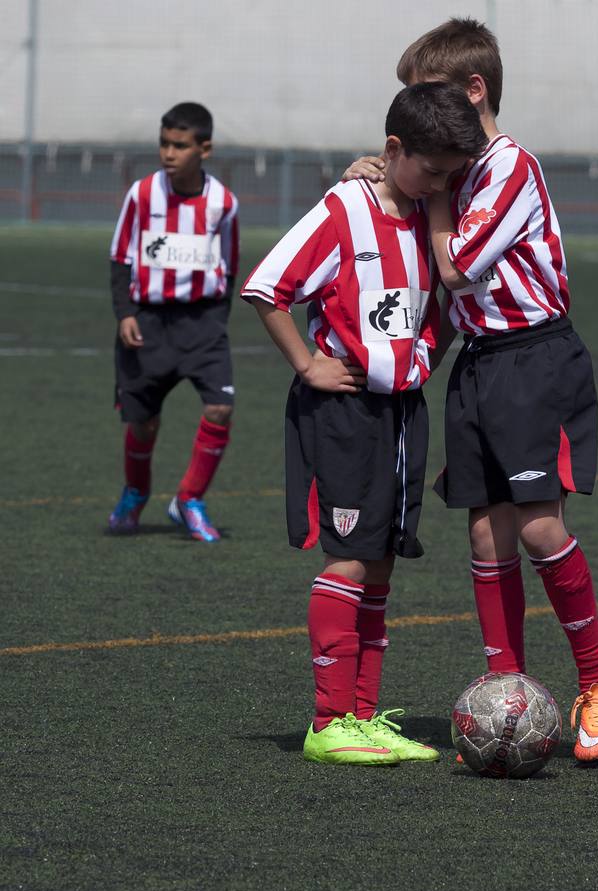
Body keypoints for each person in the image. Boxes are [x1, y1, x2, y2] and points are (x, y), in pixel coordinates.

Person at [348, 18, 598, 762]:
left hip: (535, 358)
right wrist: (379, 176)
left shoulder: (510, 166)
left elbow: (457, 267)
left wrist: (425, 192)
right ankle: (507, 685)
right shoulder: (448, 170)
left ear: (473, 93)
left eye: (426, 100)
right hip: (479, 362)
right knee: (483, 532)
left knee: (539, 526)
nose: (416, 120)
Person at [242, 82, 486, 766]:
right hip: (344, 410)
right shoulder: (343, 209)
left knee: (381, 561)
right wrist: (307, 364)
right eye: (430, 171)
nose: (439, 185)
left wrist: (423, 354)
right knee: (348, 557)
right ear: (392, 151)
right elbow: (267, 288)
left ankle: (363, 715)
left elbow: (432, 305)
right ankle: (327, 722)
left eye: (449, 175)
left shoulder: (425, 217)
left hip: (404, 413)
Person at [107, 102, 240, 542]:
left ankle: (189, 500)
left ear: (204, 148)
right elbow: (121, 257)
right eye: (164, 143)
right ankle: (134, 493)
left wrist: (216, 320)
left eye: (179, 146)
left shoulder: (223, 202)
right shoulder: (142, 195)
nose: (168, 153)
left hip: (202, 323)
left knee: (220, 407)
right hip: (148, 321)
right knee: (143, 421)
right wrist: (126, 314)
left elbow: (229, 264)